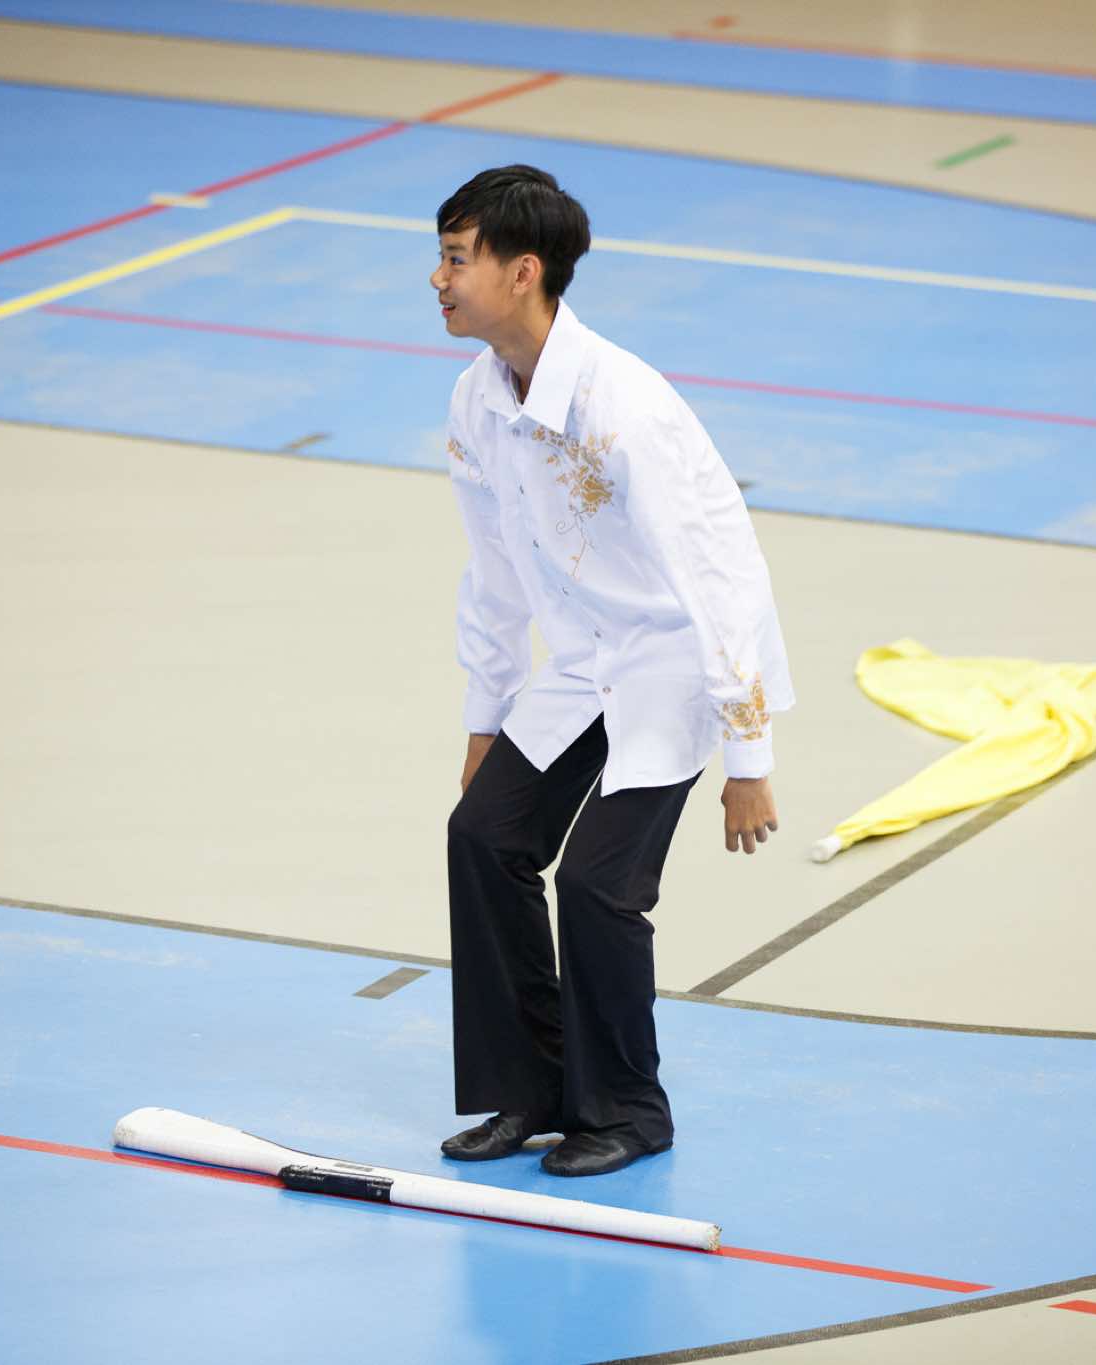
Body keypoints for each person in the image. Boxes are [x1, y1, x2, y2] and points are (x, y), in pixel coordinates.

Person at [433, 165, 794, 1178]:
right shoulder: (476, 399)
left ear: (523, 272)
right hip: (584, 659)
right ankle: (534, 1090)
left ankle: (630, 1111)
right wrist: (485, 717)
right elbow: (493, 571)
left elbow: (719, 574)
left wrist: (748, 754)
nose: (438, 279)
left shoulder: (622, 406)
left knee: (597, 885)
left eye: (456, 259)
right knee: (483, 836)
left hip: (676, 660)